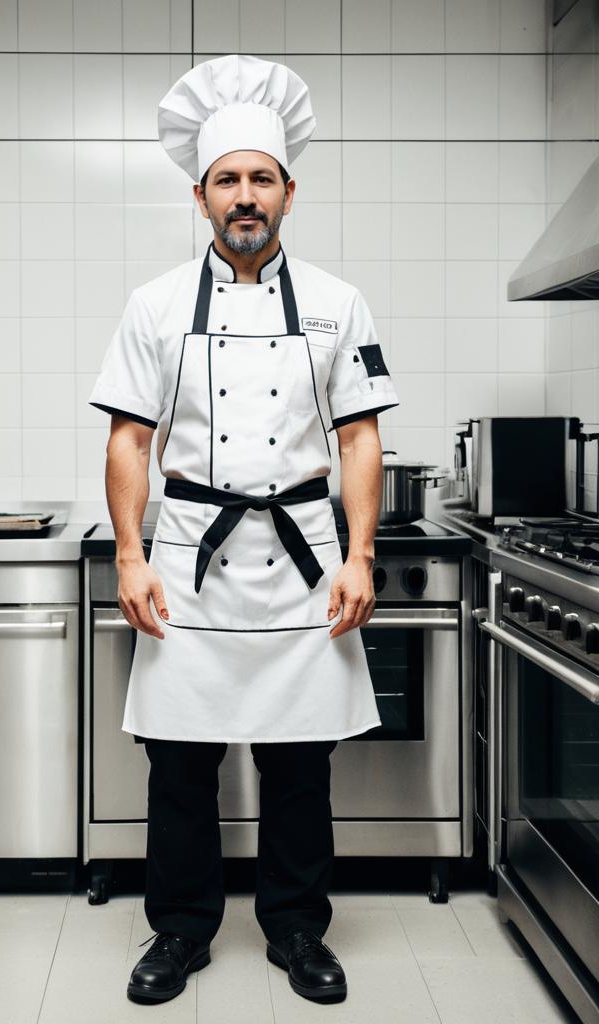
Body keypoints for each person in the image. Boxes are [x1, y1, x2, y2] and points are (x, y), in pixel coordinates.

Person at [89, 54, 400, 1005]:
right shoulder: (153, 305)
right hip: (190, 559)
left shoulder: (341, 304)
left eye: (261, 177)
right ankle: (179, 932)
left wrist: (360, 554)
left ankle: (298, 929)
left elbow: (360, 439)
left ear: (289, 192)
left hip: (305, 561)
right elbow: (130, 439)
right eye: (228, 180)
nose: (245, 196)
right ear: (200, 196)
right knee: (180, 765)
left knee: (299, 765)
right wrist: (134, 555)